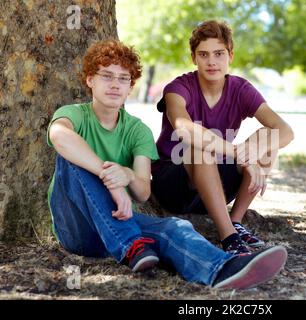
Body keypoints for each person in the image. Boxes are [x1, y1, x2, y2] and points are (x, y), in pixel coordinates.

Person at [46, 39, 287, 290]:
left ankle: (223, 269)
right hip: (78, 231)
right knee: (70, 158)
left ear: (131, 86)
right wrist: (111, 179)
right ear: (90, 80)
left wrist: (127, 175)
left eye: (123, 79)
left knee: (174, 227)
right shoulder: (74, 114)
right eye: (106, 76)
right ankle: (130, 244)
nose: (115, 85)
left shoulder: (137, 131)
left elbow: (142, 191)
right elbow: (59, 136)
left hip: (117, 227)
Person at [152, 20, 294, 255]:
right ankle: (228, 237)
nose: (211, 61)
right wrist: (240, 154)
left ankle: (236, 221)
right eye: (203, 54)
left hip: (215, 182)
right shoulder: (178, 88)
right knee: (199, 148)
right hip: (173, 182)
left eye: (219, 53)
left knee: (267, 139)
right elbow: (183, 127)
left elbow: (285, 130)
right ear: (193, 58)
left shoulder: (241, 89)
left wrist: (254, 151)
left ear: (230, 55)